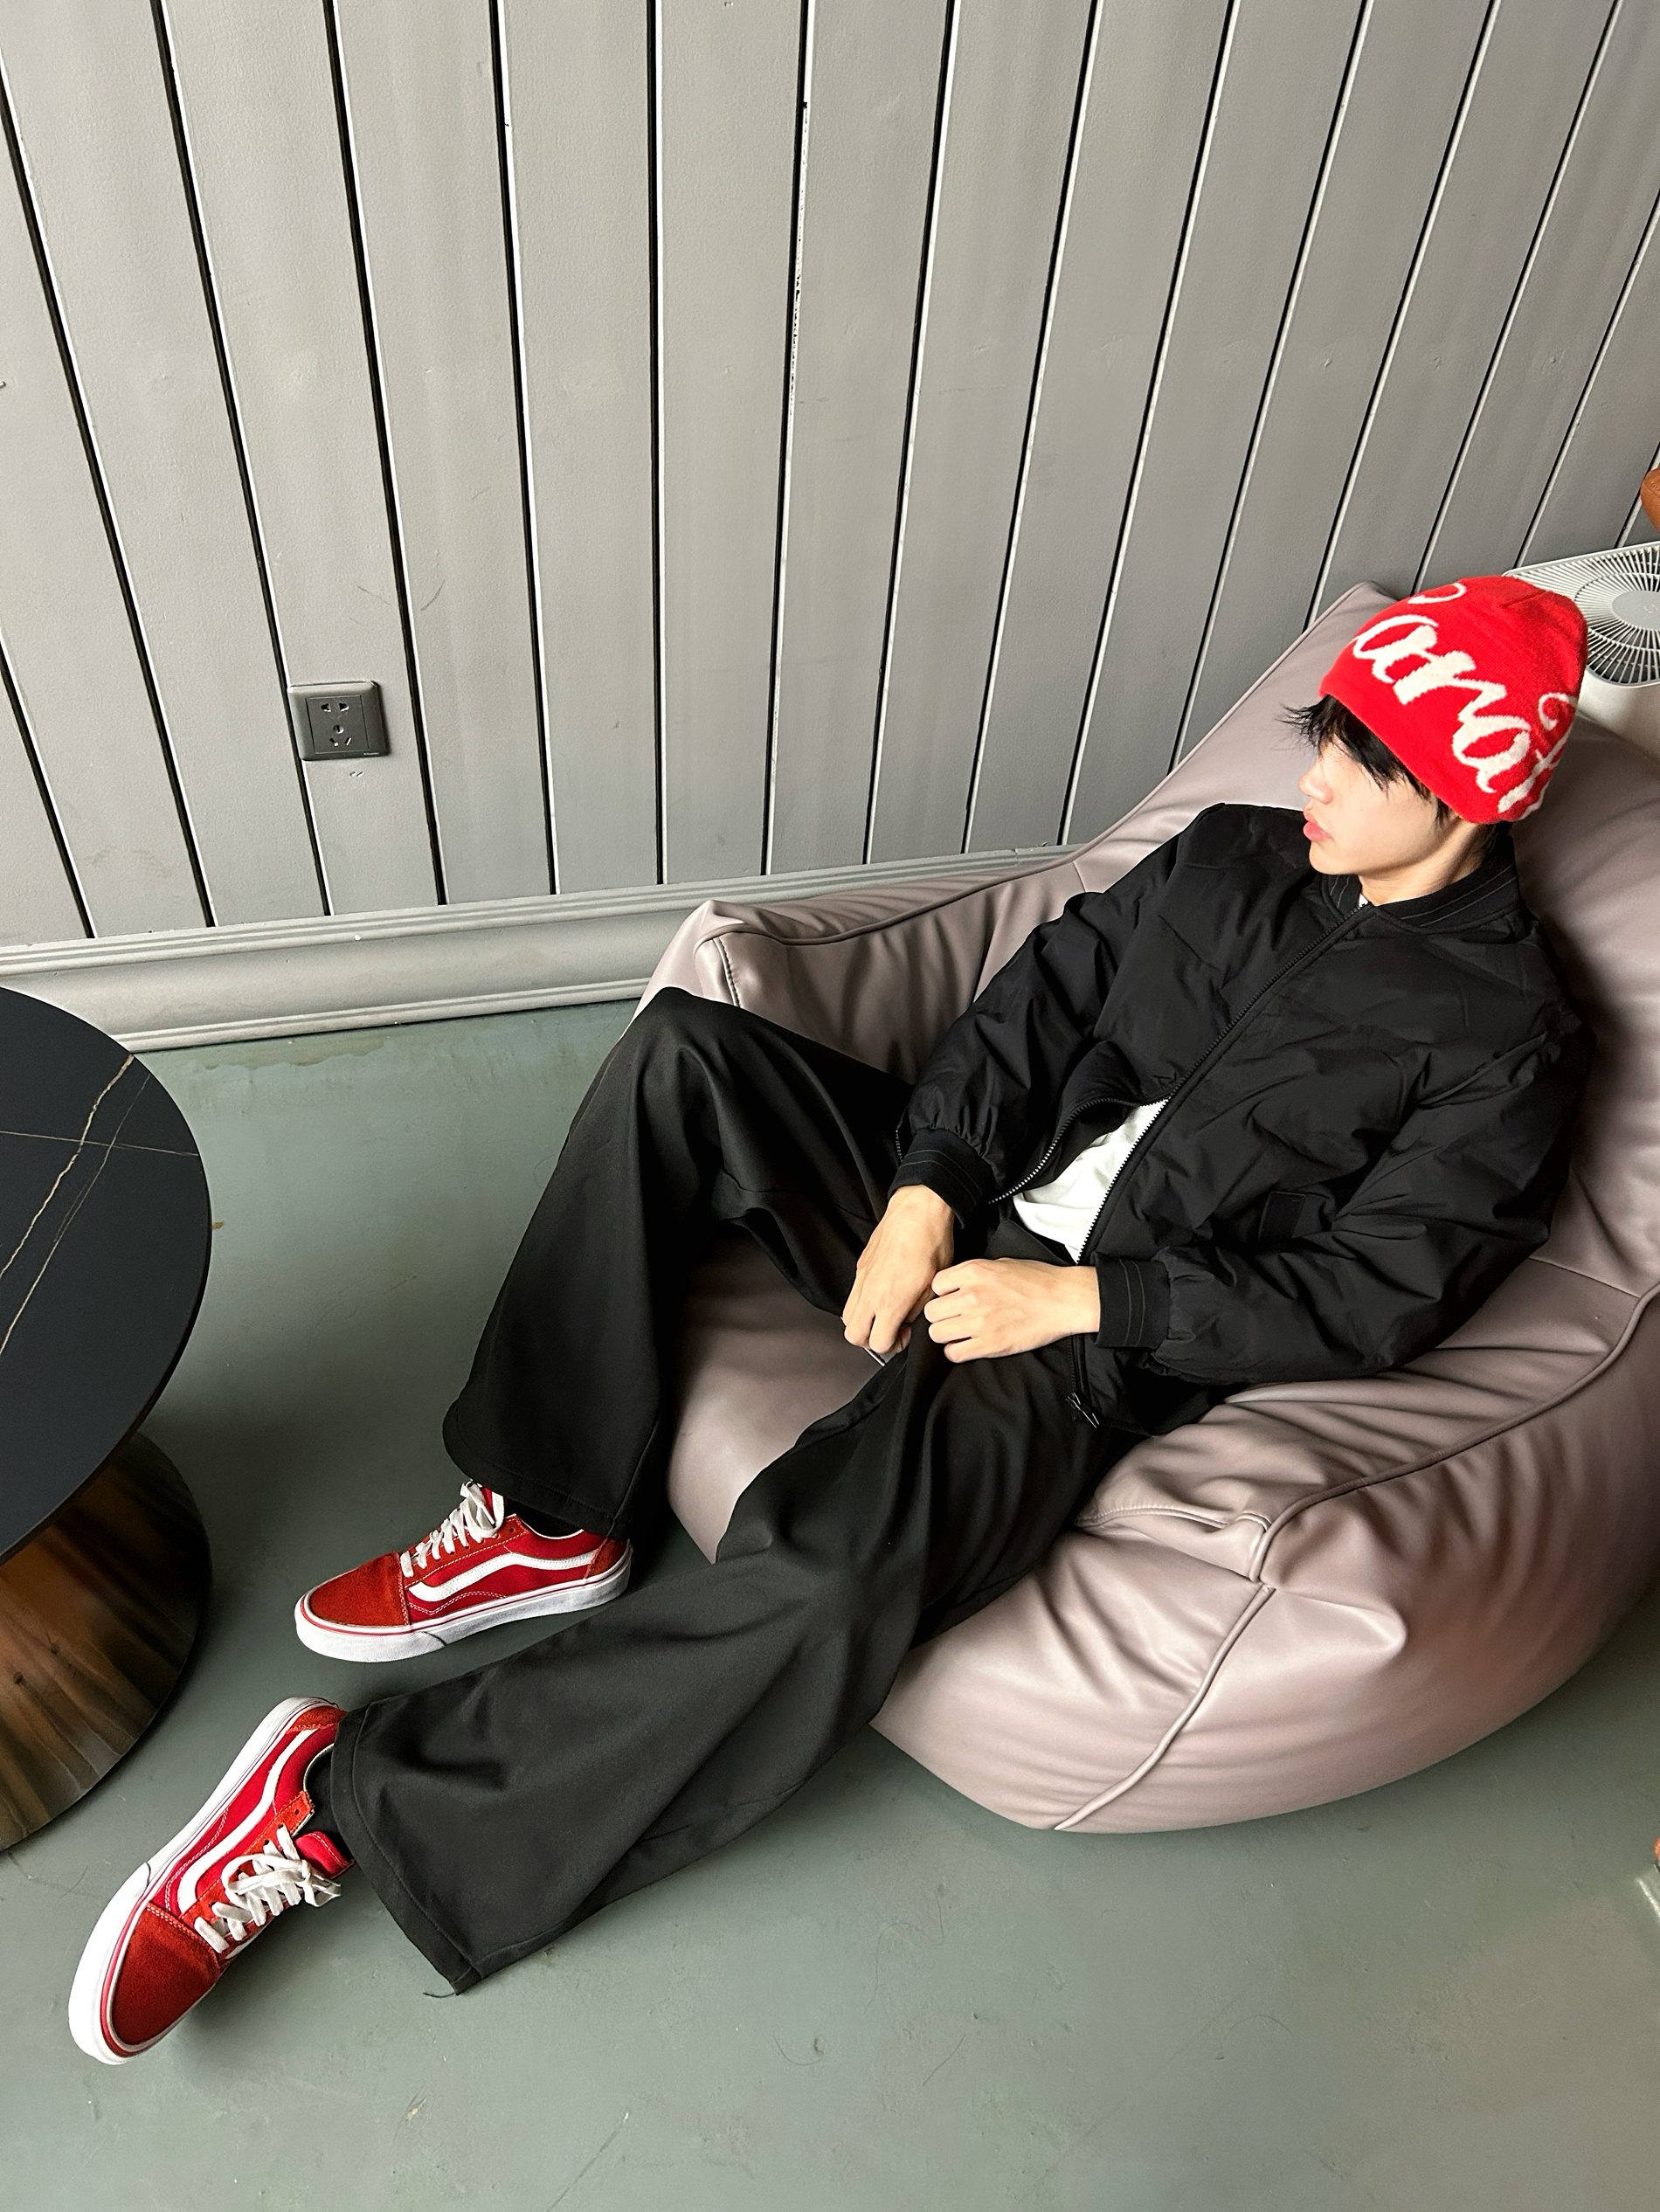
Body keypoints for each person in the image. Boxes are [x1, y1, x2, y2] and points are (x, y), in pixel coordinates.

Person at [70, 575, 1594, 2064]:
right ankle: (547, 1513)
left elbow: (1380, 1294)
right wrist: (930, 1183)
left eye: (1363, 763)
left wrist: (1086, 1298)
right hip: (976, 1191)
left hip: (1091, 1342)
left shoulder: (1504, 1038)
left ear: (1472, 796)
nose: (1313, 777)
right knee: (686, 1057)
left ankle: (333, 1807)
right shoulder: (1233, 855)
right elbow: (1035, 1008)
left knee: (827, 1580)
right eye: (1325, 736)